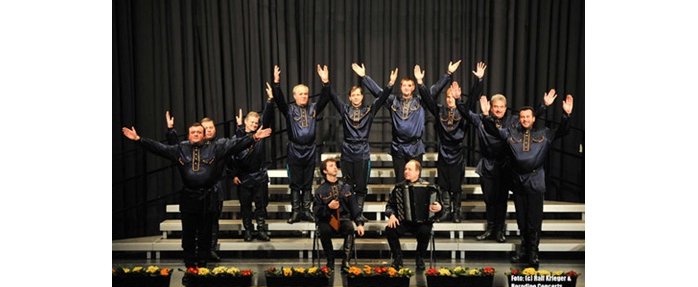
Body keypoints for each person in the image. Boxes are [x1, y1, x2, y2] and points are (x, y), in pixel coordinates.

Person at [121, 122, 272, 268]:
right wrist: (139, 139)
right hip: (188, 198)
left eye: (199, 132)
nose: (196, 134)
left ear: (204, 134)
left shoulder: (216, 147)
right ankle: (189, 265)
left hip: (208, 198)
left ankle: (202, 265)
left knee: (205, 234)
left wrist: (254, 138)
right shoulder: (180, 149)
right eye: (193, 132)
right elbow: (160, 148)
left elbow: (236, 145)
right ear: (188, 135)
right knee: (188, 234)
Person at [480, 92, 574, 268]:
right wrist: (486, 115)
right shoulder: (511, 133)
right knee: (522, 219)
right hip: (518, 182)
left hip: (536, 181)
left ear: (533, 119)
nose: (524, 119)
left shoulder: (544, 133)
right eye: (522, 117)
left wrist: (566, 115)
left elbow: (563, 131)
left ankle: (533, 252)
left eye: (527, 117)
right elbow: (492, 130)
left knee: (534, 220)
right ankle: (524, 250)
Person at [459, 89, 556, 242]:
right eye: (496, 106)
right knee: (489, 199)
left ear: (506, 108)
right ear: (491, 107)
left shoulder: (513, 121)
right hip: (487, 165)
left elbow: (529, 117)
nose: (498, 109)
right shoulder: (481, 119)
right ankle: (490, 228)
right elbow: (465, 112)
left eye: (502, 106)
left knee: (502, 199)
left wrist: (544, 105)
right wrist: (458, 99)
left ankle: (499, 230)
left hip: (505, 166)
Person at [360, 61, 461, 183]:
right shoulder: (394, 101)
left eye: (409, 85)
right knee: (400, 181)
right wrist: (364, 77)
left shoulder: (420, 101)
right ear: (400, 87)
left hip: (415, 147)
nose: (406, 88)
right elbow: (379, 93)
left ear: (413, 88)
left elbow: (434, 91)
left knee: (415, 181)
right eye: (404, 85)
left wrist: (448, 74)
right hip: (398, 148)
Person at [320, 63, 396, 218]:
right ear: (349, 97)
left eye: (358, 94)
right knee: (347, 185)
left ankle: (358, 213)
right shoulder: (345, 109)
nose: (356, 97)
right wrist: (326, 82)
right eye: (353, 95)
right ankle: (349, 212)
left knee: (360, 186)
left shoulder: (369, 110)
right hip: (347, 150)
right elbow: (332, 96)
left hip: (362, 150)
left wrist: (389, 84)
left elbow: (382, 98)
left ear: (362, 96)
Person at [418, 62, 486, 222]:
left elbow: (473, 99)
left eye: (452, 96)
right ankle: (446, 210)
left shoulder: (463, 110)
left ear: (458, 96)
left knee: (456, 185)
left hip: (457, 153)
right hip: (443, 152)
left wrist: (479, 80)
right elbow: (428, 100)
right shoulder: (440, 110)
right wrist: (420, 83)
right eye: (447, 97)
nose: (449, 99)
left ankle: (456, 211)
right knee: (443, 184)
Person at [270, 65, 331, 223]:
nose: (304, 96)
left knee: (307, 182)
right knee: (295, 183)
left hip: (310, 150)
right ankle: (296, 212)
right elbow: (279, 100)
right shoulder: (289, 110)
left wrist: (325, 82)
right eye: (301, 94)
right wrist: (276, 84)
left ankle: (307, 210)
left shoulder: (313, 108)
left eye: (306, 94)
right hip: (294, 150)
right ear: (295, 96)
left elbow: (325, 98)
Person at [164, 113, 226, 261]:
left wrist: (248, 134)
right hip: (191, 197)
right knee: (190, 231)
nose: (208, 131)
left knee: (210, 225)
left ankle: (208, 253)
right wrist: (171, 130)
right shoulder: (186, 148)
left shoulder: (219, 146)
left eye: (210, 128)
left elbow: (237, 145)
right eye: (205, 128)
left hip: (213, 191)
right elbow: (174, 148)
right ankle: (191, 263)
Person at [227, 89, 275, 241]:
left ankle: (260, 229)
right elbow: (231, 158)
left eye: (256, 122)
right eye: (252, 122)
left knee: (261, 205)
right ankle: (248, 230)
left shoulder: (261, 135)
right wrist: (233, 174)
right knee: (246, 206)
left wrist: (270, 100)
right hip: (244, 177)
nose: (255, 125)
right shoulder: (237, 137)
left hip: (259, 175)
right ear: (245, 122)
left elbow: (267, 118)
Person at [384, 160, 443, 270]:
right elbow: (389, 206)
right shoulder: (398, 187)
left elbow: (441, 210)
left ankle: (420, 258)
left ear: (417, 172)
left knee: (425, 230)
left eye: (409, 169)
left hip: (422, 223)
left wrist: (439, 208)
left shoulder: (430, 188)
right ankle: (398, 258)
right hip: (404, 221)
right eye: (405, 169)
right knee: (389, 229)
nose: (406, 171)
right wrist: (391, 215)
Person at [313, 158, 366, 271]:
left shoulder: (346, 187)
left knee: (349, 227)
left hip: (343, 219)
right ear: (325, 171)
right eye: (331, 166)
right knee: (324, 230)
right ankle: (330, 261)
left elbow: (354, 207)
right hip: (327, 220)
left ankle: (346, 261)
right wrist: (328, 207)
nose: (335, 167)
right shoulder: (320, 190)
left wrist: (359, 223)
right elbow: (316, 211)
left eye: (335, 165)